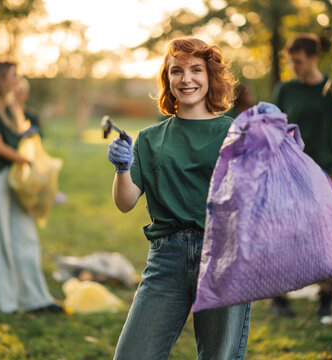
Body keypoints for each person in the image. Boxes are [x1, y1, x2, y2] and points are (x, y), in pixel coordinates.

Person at [107, 37, 251, 359]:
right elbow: (125, 202)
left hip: (222, 256)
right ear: (167, 78)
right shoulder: (150, 138)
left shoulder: (235, 134)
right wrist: (122, 168)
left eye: (196, 69)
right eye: (177, 71)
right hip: (166, 258)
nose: (186, 79)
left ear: (210, 76)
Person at [271, 33, 332, 317]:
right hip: (288, 173)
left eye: (298, 61)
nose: (293, 66)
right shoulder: (285, 90)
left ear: (313, 58)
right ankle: (279, 298)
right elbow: (275, 128)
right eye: (290, 61)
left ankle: (326, 296)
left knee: (325, 235)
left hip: (323, 174)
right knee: (285, 234)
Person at [0, 58, 62, 314]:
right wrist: (26, 159)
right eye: (13, 75)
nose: (17, 79)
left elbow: (16, 137)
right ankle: (4, 304)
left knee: (26, 237)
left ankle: (35, 300)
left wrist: (27, 138)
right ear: (2, 78)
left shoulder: (11, 107)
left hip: (13, 180)